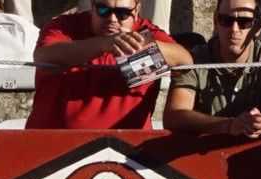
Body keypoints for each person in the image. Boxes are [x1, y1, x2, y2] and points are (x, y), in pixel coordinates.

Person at [26, 0, 193, 130]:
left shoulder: (145, 33)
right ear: (92, 6)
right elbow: (44, 59)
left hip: (126, 151)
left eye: (122, 13)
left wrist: (139, 47)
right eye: (103, 10)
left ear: (136, 10)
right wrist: (103, 44)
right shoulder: (64, 27)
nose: (112, 19)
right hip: (53, 146)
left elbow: (184, 61)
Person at [163, 0, 261, 138]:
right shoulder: (195, 58)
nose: (234, 29)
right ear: (215, 21)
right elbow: (174, 116)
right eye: (226, 20)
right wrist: (229, 126)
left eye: (244, 22)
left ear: (258, 27)